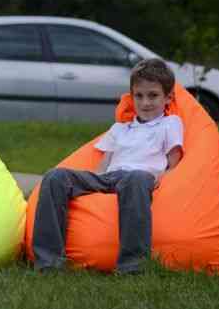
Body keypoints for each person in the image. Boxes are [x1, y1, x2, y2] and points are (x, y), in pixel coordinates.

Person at [32, 58, 184, 275]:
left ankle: (132, 266)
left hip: (141, 178)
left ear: (168, 97)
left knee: (135, 178)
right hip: (110, 177)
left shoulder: (170, 123)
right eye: (139, 96)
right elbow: (105, 163)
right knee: (55, 176)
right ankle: (48, 263)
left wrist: (165, 179)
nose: (146, 103)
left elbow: (174, 159)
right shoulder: (119, 128)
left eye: (153, 95)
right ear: (132, 97)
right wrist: (90, 183)